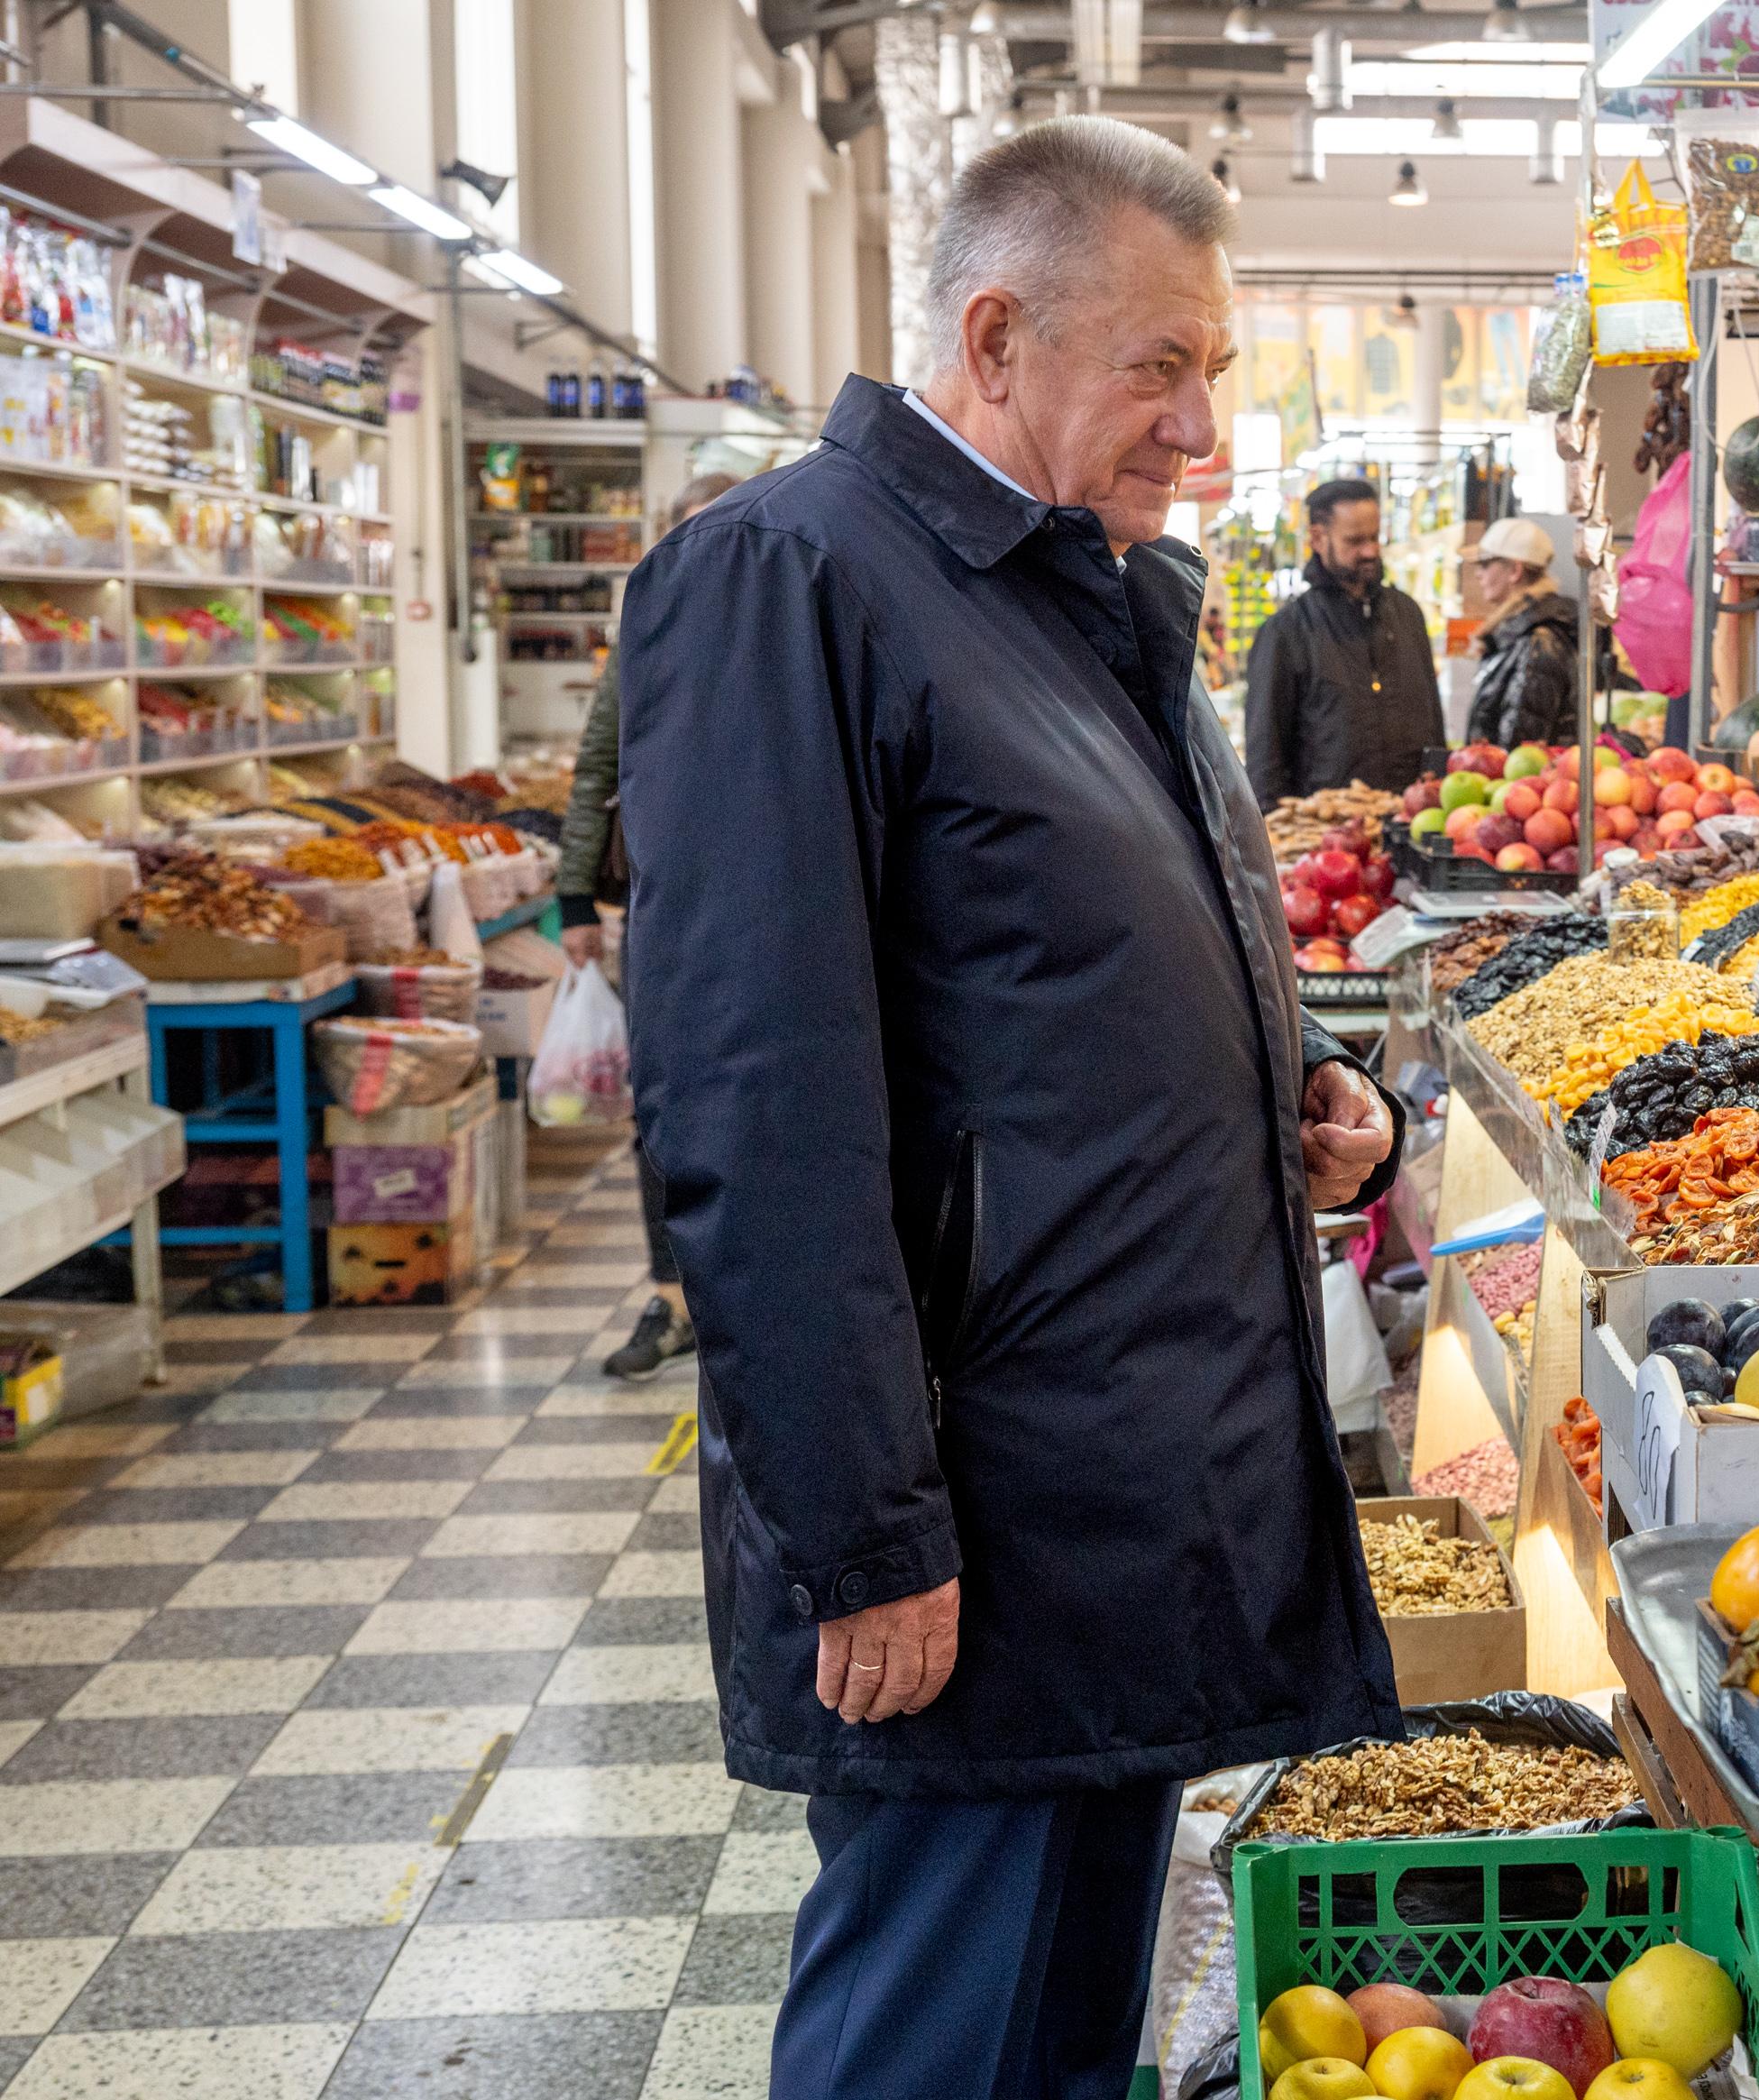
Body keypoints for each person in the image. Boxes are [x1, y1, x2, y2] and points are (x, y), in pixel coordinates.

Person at [617, 117, 1405, 2100]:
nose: (1202, 428)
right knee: (929, 2041)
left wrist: (1302, 1086)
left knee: (1057, 2049)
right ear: (993, 336)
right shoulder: (791, 580)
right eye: (1161, 366)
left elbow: (1065, 974)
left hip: (1118, 1493)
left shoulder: (1084, 594)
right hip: (969, 1505)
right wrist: (863, 1533)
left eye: (1212, 368)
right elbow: (750, 1099)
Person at [553, 468, 741, 1381]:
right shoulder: (646, 638)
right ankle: (670, 1297)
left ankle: (746, 1288)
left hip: (766, 910)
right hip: (661, 910)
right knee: (661, 1105)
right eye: (692, 534)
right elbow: (596, 768)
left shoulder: (779, 634)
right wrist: (571, 901)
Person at [1241, 475, 1441, 802]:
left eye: (1375, 537)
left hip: (1409, 821)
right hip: (1327, 833)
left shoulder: (1408, 614)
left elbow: (1434, 719)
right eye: (1355, 540)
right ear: (1318, 538)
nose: (1370, 551)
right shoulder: (1285, 632)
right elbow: (1266, 754)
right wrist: (1274, 830)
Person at [1463, 515, 1580, 750]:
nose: (1478, 574)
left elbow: (1521, 749)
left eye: (1485, 564)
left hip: (1516, 785)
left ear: (1515, 571)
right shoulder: (1520, 633)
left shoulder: (1538, 641)